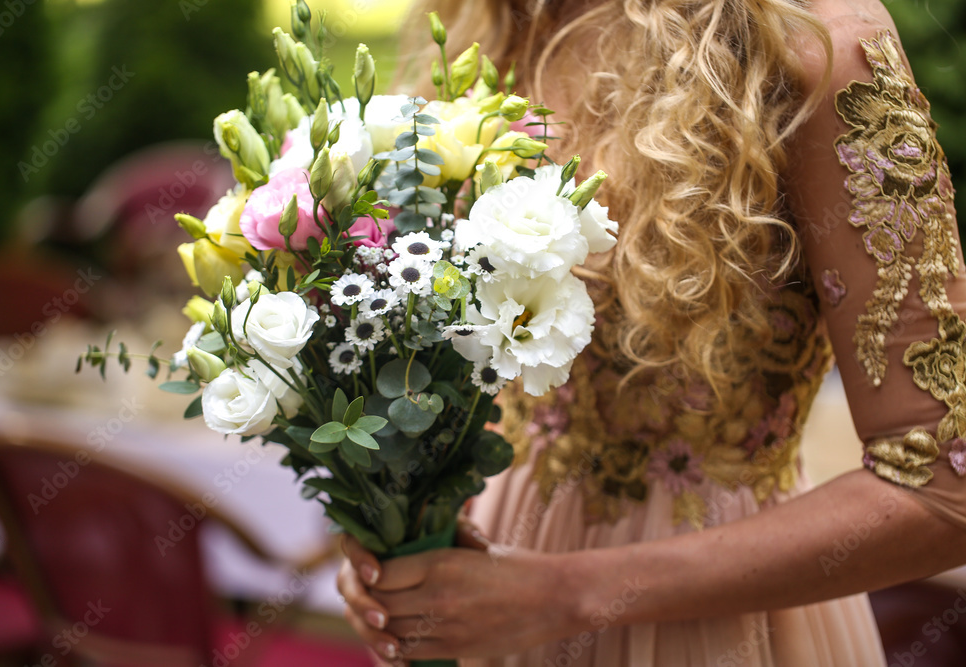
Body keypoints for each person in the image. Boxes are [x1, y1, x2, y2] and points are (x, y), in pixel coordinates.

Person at [337, 0, 966, 664]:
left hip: (706, 629)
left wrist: (566, 596)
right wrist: (401, 538)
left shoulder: (814, 42)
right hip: (490, 603)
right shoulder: (485, 22)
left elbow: (944, 484)